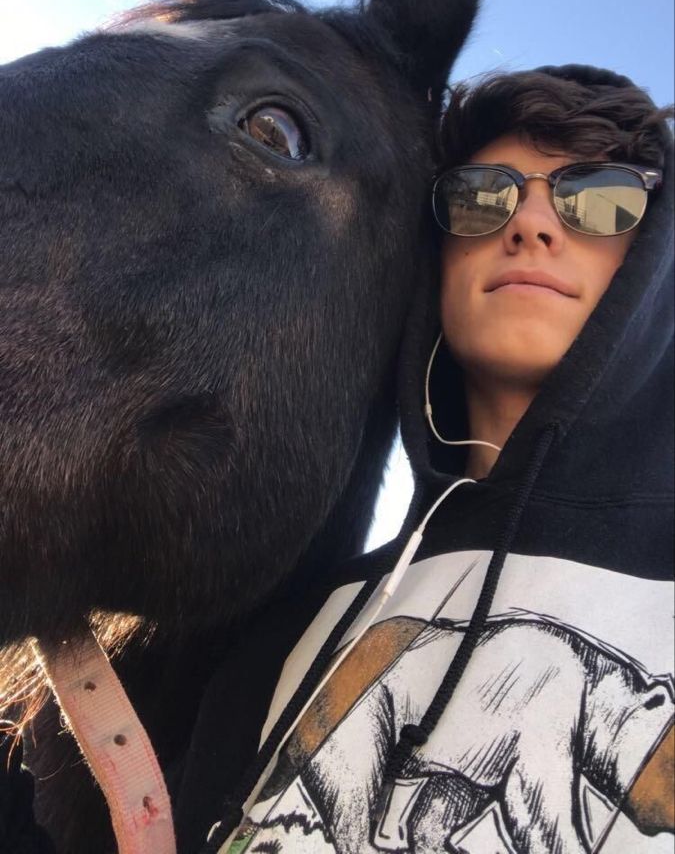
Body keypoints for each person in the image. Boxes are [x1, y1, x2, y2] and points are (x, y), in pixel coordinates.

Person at [196, 64, 674, 854]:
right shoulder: (289, 625)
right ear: (433, 257)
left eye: (597, 199)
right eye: (480, 198)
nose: (529, 225)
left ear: (653, 257)